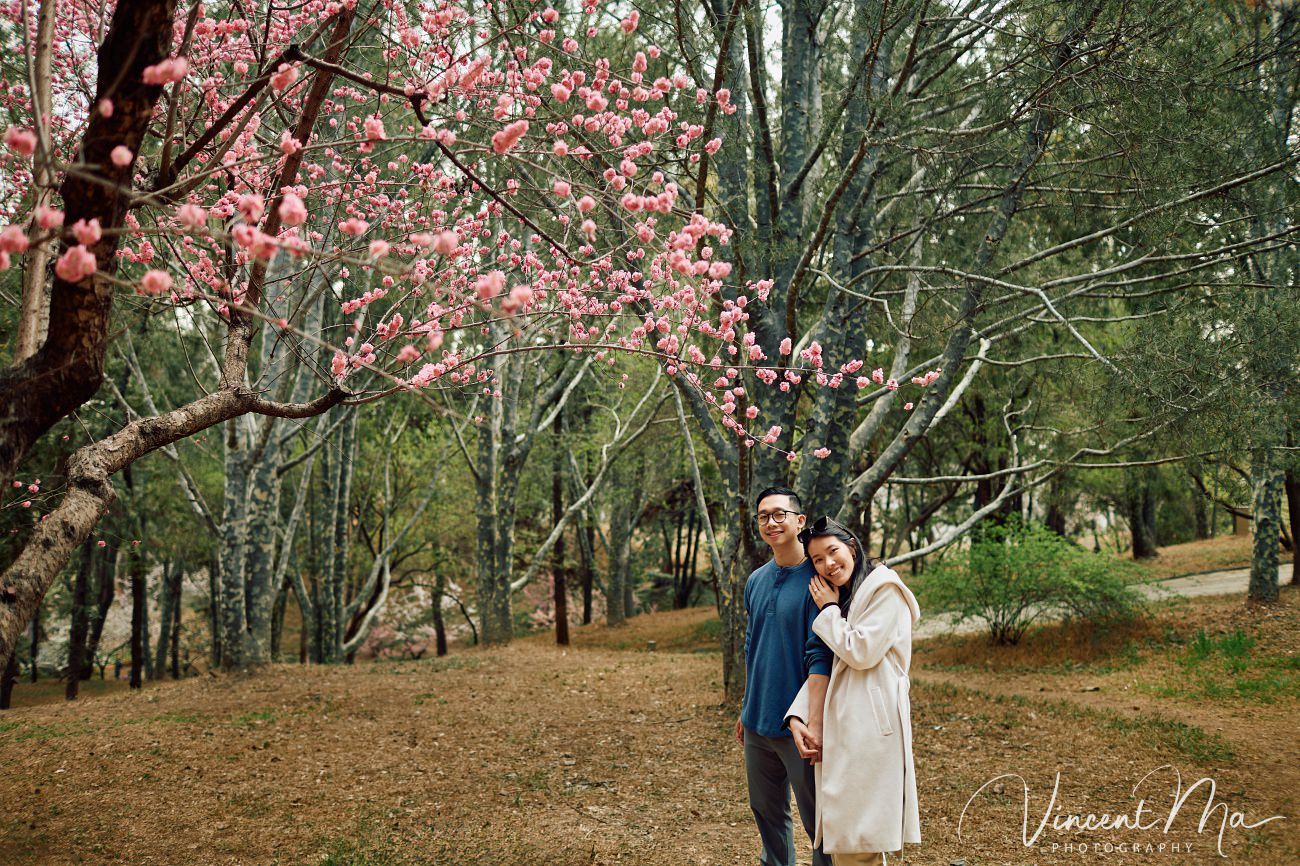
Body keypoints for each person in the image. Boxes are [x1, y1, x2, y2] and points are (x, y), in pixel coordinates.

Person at [784, 516, 921, 866]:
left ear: (853, 547)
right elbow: (831, 664)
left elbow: (860, 652)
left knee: (860, 839)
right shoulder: (848, 597)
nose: (828, 564)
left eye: (833, 552)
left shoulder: (884, 590)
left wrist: (828, 609)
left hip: (871, 730)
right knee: (849, 838)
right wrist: (800, 716)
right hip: (846, 726)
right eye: (817, 560)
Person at [735, 486, 834, 866]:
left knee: (818, 823)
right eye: (763, 516)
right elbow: (751, 646)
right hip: (758, 723)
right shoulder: (756, 580)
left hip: (800, 726)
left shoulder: (818, 580)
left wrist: (816, 720)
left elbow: (820, 655)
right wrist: (746, 708)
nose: (771, 522)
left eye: (779, 514)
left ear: (799, 521)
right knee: (766, 813)